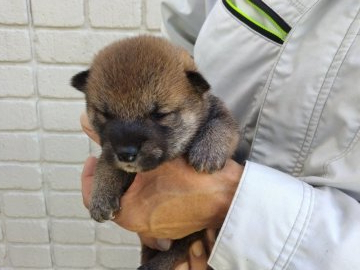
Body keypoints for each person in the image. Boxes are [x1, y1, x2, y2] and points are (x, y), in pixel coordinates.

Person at [81, 0, 360, 269]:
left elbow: (220, 128)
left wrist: (228, 199)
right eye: (107, 116)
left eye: (159, 116)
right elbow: (183, 35)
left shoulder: (208, 111)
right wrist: (140, 202)